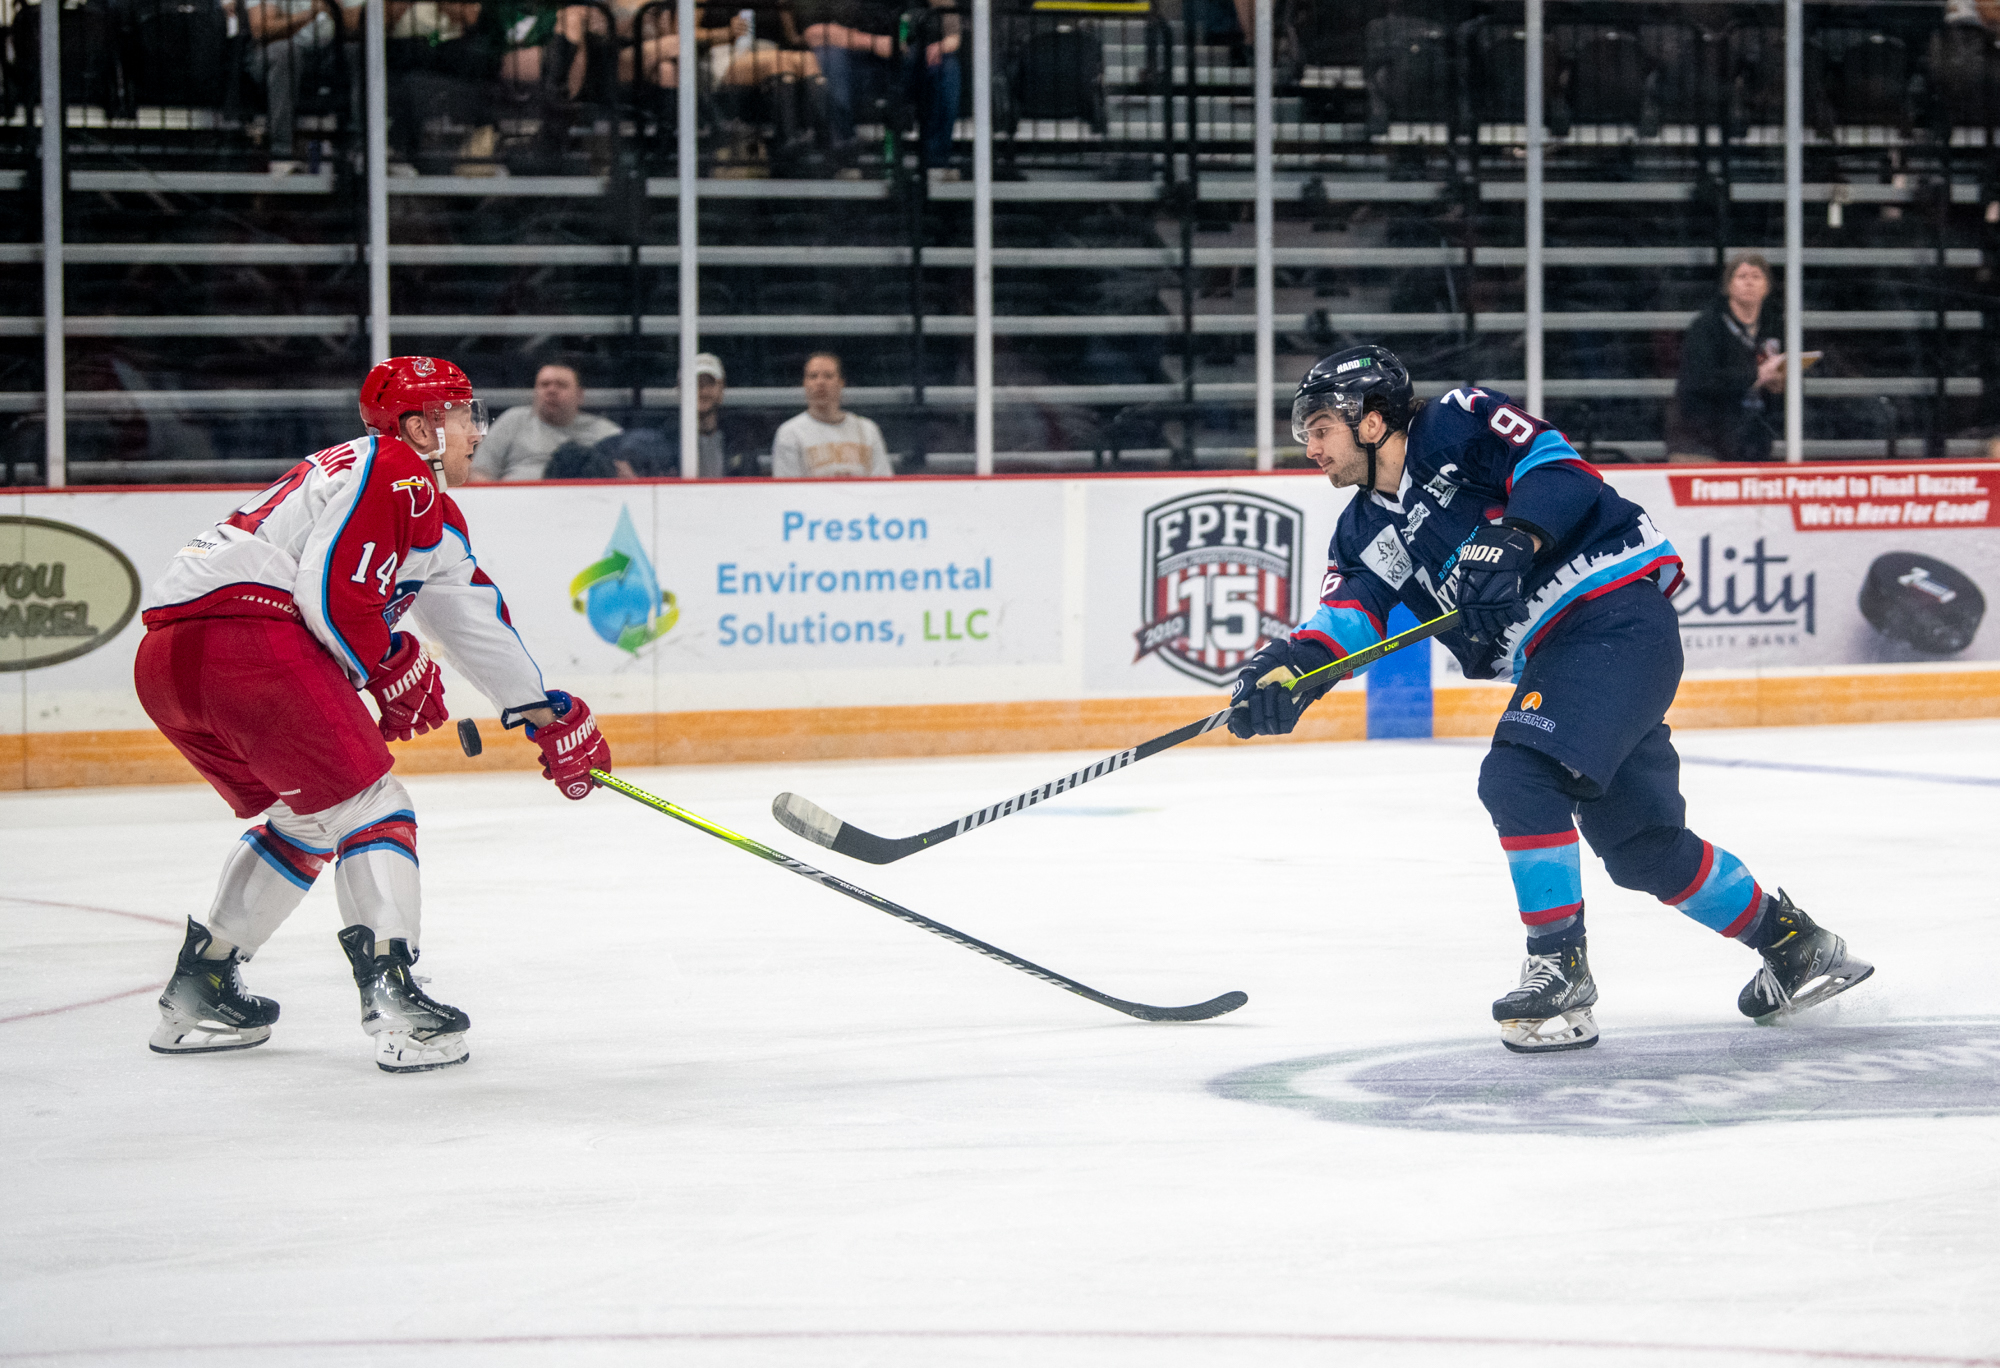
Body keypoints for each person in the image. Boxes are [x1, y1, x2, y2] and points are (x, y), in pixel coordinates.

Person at [1230, 345, 1873, 1053]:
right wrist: (1285, 671)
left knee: (1517, 776)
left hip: (1613, 618)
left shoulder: (1456, 421)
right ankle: (1795, 943)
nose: (1310, 446)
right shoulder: (1364, 529)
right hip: (1568, 658)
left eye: (1320, 427)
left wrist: (1517, 533)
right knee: (1643, 850)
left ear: (1373, 420)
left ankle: (1559, 970)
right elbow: (1349, 613)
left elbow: (1556, 465)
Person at [133, 357, 613, 1073]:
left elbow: (472, 618)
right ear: (420, 427)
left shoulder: (416, 503)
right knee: (372, 807)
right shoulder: (395, 470)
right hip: (244, 642)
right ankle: (394, 999)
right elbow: (327, 589)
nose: (476, 430)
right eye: (461, 414)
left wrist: (545, 712)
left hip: (171, 662)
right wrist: (387, 661)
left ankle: (200, 990)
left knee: (309, 818)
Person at [794, 0, 960, 171]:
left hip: (911, 62)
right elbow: (813, 33)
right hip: (857, 64)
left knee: (946, 67)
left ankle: (936, 163)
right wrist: (874, 43)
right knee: (829, 57)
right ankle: (844, 158)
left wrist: (940, 47)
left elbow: (954, 35)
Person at [1671, 253, 1788, 463]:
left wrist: (1780, 384)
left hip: (1751, 443)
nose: (1749, 282)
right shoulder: (1707, 327)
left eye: (1756, 276)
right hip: (1700, 442)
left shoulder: (1775, 327)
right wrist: (1756, 375)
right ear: (1728, 285)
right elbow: (1701, 381)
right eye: (1742, 276)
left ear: (1767, 286)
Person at [471, 362, 622, 482]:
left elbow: (629, 481)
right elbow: (479, 472)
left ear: (579, 395)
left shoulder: (606, 433)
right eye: (544, 385)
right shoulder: (512, 420)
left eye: (561, 385)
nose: (551, 391)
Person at [772, 351, 892, 478]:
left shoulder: (868, 430)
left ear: (841, 382)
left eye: (828, 376)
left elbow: (883, 483)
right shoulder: (790, 433)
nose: (820, 382)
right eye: (813, 376)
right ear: (805, 383)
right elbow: (787, 491)